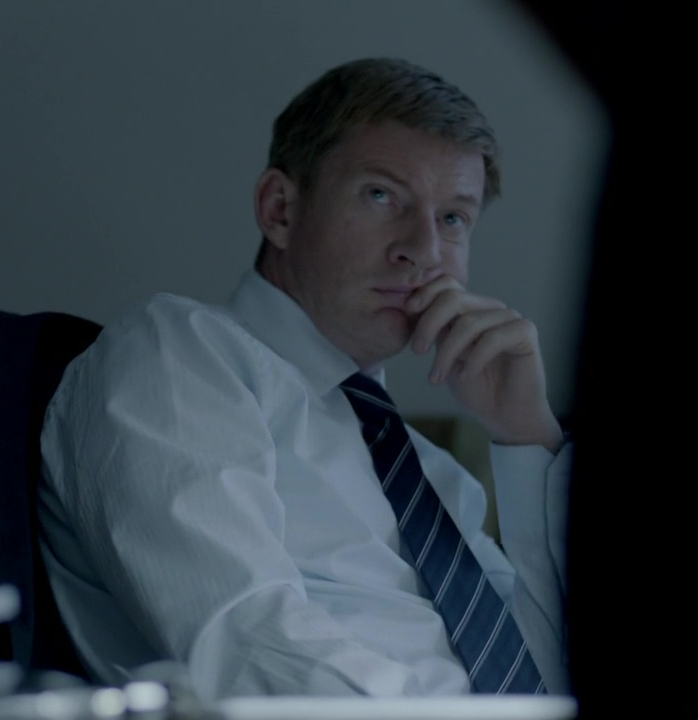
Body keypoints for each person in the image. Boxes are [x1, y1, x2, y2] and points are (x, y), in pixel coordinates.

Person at [37, 57, 572, 700]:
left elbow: (551, 674)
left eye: (454, 218)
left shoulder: (429, 474)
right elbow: (244, 644)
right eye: (382, 196)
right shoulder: (179, 355)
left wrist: (528, 440)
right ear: (280, 210)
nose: (425, 250)